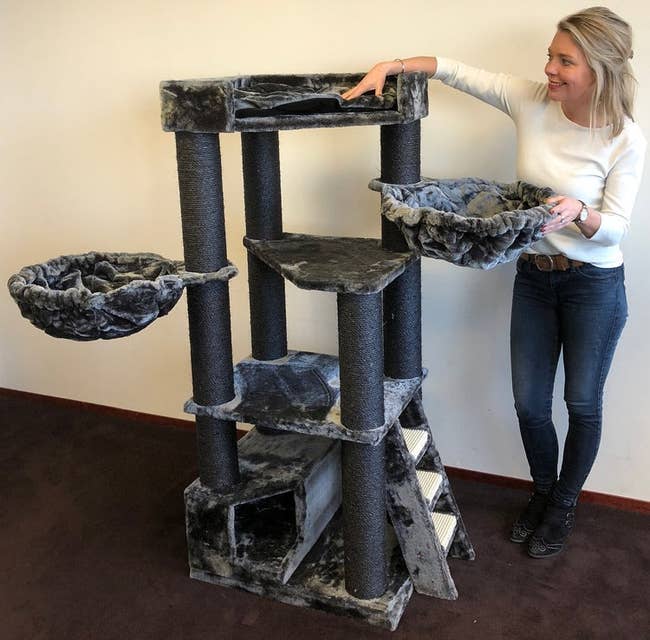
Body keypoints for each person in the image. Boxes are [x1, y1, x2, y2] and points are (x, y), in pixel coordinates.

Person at [343, 6, 646, 558]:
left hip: (594, 287)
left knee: (581, 403)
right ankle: (543, 492)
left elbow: (617, 229)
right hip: (533, 279)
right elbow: (456, 70)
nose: (549, 69)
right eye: (550, 56)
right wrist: (393, 65)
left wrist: (581, 212)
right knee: (530, 405)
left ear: (599, 68)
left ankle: (563, 505)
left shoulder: (624, 136)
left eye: (564, 61)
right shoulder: (531, 100)